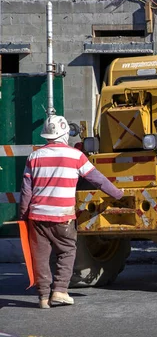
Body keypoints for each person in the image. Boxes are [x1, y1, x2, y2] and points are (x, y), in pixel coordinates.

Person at [19, 115, 124, 309]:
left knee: (40, 257)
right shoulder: (76, 156)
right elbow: (97, 179)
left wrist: (23, 215)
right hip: (62, 217)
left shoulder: (34, 156)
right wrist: (117, 194)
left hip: (37, 216)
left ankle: (43, 298)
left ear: (47, 135)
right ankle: (59, 291)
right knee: (67, 251)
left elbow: (26, 190)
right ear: (65, 133)